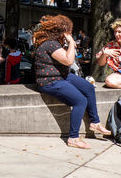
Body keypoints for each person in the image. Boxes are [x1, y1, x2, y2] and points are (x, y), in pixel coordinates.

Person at [33, 15, 109, 149]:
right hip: (50, 81)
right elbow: (68, 61)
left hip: (62, 75)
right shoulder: (50, 44)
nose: (69, 34)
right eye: (68, 32)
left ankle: (95, 122)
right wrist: (72, 43)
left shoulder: (54, 42)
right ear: (62, 31)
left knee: (88, 88)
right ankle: (73, 138)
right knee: (80, 101)